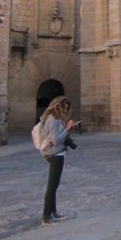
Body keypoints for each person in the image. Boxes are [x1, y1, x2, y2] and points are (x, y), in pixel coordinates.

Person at [40, 96, 76, 225]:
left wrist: (67, 128)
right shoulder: (53, 120)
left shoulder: (55, 120)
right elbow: (56, 140)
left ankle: (53, 212)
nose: (65, 109)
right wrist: (67, 129)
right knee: (52, 187)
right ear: (58, 107)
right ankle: (46, 216)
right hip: (55, 154)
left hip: (58, 153)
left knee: (54, 186)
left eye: (67, 106)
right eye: (64, 106)